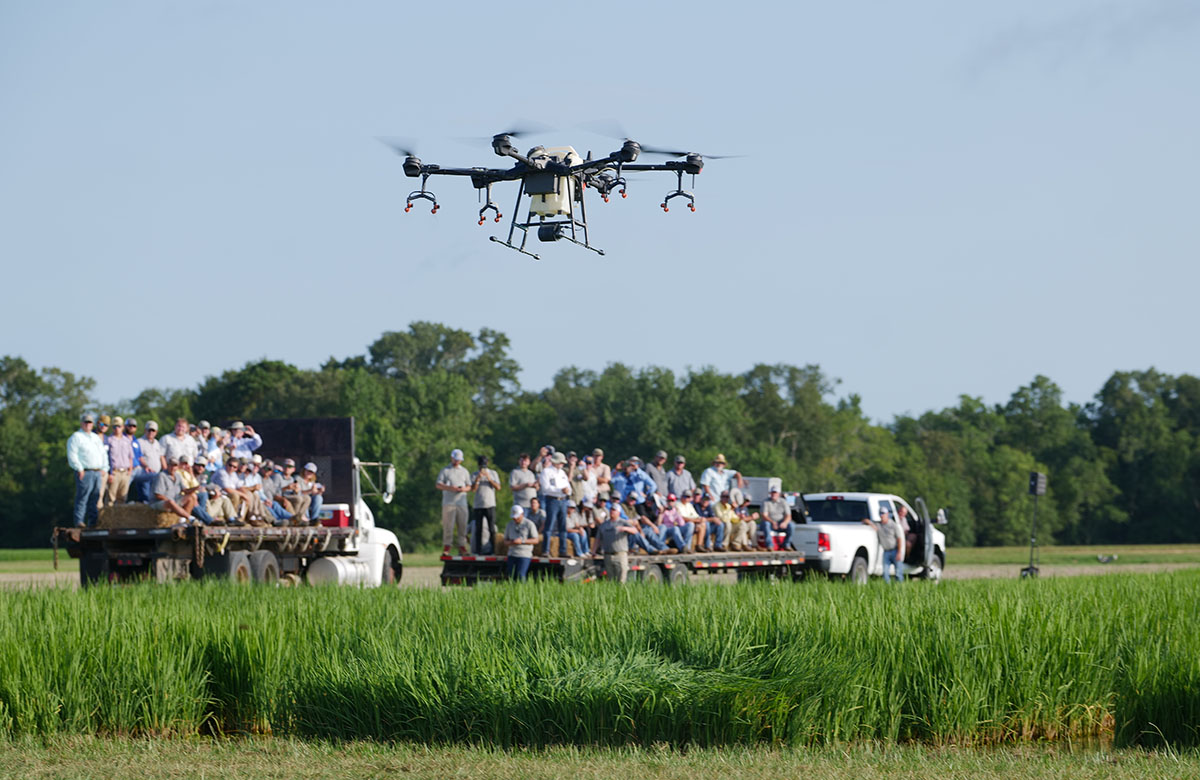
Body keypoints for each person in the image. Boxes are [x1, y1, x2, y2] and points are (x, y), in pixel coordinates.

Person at [67, 413, 109, 528]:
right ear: (81, 423)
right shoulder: (76, 437)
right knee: (82, 497)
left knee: (95, 498)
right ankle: (79, 521)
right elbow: (72, 454)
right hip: (85, 472)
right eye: (86, 422)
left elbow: (103, 454)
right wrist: (79, 469)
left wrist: (105, 468)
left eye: (90, 422)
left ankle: (93, 522)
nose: (88, 424)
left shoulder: (95, 437)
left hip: (97, 472)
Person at [436, 449, 471, 553]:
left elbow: (469, 486)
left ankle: (462, 546)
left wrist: (462, 489)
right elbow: (438, 484)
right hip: (449, 503)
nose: (456, 461)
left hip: (462, 503)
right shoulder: (445, 470)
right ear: (452, 458)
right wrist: (451, 488)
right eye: (455, 459)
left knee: (463, 525)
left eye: (458, 459)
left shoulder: (464, 471)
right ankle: (447, 546)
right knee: (448, 526)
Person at [538, 451, 571, 558]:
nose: (562, 464)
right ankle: (546, 550)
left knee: (563, 526)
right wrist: (560, 490)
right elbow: (545, 488)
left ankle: (563, 550)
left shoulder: (562, 473)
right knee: (550, 525)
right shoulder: (546, 472)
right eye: (560, 462)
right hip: (552, 500)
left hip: (563, 500)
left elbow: (568, 487)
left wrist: (567, 491)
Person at [597, 505, 639, 584]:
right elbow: (598, 539)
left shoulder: (623, 522)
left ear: (619, 512)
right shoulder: (604, 525)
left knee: (621, 578)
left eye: (614, 510)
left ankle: (620, 594)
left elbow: (635, 530)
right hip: (608, 555)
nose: (612, 511)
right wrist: (593, 551)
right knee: (610, 580)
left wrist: (624, 528)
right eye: (611, 510)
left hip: (620, 555)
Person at [863, 507, 904, 583]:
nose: (882, 515)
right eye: (880, 513)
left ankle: (900, 588)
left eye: (883, 513)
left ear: (887, 514)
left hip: (895, 550)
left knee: (898, 573)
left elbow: (899, 539)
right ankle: (887, 588)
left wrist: (899, 552)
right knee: (885, 573)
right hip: (886, 552)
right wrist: (867, 521)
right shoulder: (879, 525)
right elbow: (873, 526)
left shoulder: (893, 525)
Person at [470, 455, 500, 554]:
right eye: (481, 465)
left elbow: (498, 487)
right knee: (478, 529)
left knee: (492, 528)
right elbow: (473, 489)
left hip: (490, 504)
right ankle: (478, 551)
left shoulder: (493, 473)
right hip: (478, 505)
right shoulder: (474, 474)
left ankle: (494, 550)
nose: (483, 468)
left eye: (484, 465)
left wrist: (489, 478)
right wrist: (478, 479)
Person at [150, 456, 195, 521]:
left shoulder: (178, 476)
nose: (173, 468)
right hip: (158, 503)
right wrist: (172, 503)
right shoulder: (161, 476)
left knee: (190, 498)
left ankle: (183, 521)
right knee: (170, 502)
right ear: (167, 465)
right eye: (171, 465)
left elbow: (185, 490)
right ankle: (190, 518)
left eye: (175, 466)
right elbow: (158, 495)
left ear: (177, 467)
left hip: (174, 501)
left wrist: (196, 488)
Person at [103, 414, 135, 506]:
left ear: (123, 427)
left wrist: (130, 470)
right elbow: (106, 458)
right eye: (114, 426)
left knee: (123, 497)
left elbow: (130, 456)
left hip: (125, 472)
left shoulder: (127, 440)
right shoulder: (108, 440)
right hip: (114, 472)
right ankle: (108, 519)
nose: (117, 428)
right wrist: (110, 473)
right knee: (110, 498)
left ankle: (119, 520)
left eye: (119, 426)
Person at [130, 420, 165, 502]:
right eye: (149, 430)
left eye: (153, 430)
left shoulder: (156, 442)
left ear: (156, 432)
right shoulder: (139, 442)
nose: (151, 432)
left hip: (155, 474)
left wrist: (164, 469)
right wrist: (146, 466)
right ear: (145, 430)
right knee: (145, 496)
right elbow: (138, 457)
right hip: (144, 472)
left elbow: (160, 456)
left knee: (153, 497)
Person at [503, 504, 540, 581]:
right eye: (514, 517)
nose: (515, 519)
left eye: (517, 517)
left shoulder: (529, 524)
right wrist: (512, 542)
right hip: (511, 554)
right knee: (511, 576)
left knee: (521, 576)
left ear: (522, 514)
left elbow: (536, 540)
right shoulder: (509, 525)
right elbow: (505, 541)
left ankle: (522, 591)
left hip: (524, 555)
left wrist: (522, 541)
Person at [759, 486, 795, 551]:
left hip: (780, 523)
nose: (773, 494)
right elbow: (764, 515)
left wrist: (785, 522)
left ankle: (786, 544)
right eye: (772, 492)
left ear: (779, 494)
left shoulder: (783, 502)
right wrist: (772, 522)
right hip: (770, 523)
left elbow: (788, 515)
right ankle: (770, 545)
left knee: (791, 525)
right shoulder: (766, 502)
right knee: (766, 524)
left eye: (775, 492)